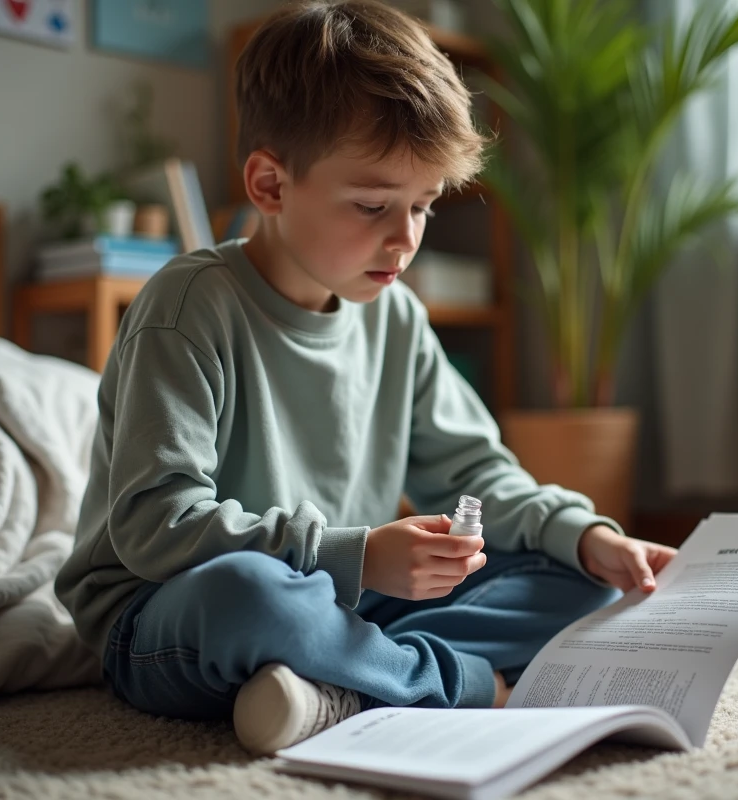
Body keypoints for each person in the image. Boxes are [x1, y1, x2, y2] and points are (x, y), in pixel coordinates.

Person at [54, 0, 677, 756]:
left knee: (583, 578)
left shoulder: (397, 317)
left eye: (423, 206)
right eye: (375, 204)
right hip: (166, 614)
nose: (405, 238)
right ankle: (453, 682)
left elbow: (477, 474)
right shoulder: (189, 306)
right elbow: (157, 527)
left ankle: (336, 683)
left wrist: (585, 536)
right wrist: (353, 557)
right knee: (253, 598)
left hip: (344, 592)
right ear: (271, 185)